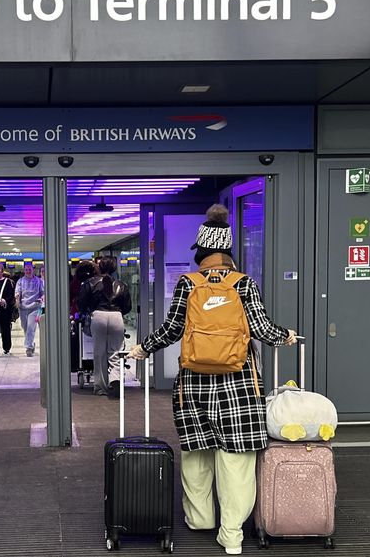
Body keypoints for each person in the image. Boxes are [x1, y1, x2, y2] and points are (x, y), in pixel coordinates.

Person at [128, 204, 297, 556]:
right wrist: (286, 336)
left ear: (202, 253)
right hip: (238, 385)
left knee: (197, 454)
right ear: (229, 252)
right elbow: (263, 330)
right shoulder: (244, 284)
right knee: (236, 459)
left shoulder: (188, 284)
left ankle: (200, 517)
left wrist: (143, 348)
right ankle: (232, 534)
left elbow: (173, 329)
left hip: (194, 387)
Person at [77, 256, 131, 397]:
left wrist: (86, 312)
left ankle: (100, 387)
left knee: (99, 354)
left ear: (99, 267)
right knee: (115, 352)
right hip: (116, 317)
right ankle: (115, 380)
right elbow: (127, 306)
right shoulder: (121, 284)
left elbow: (81, 303)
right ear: (114, 268)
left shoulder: (90, 282)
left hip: (98, 316)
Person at [15, 262, 45, 357]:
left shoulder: (39, 281)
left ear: (33, 270)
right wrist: (17, 299)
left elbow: (43, 292)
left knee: (31, 327)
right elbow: (17, 291)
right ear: (24, 270)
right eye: (26, 269)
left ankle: (28, 347)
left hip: (35, 307)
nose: (28, 271)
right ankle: (31, 344)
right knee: (25, 327)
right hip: (23, 307)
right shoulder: (20, 281)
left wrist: (42, 298)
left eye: (30, 269)